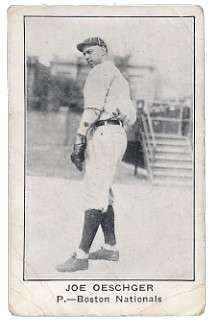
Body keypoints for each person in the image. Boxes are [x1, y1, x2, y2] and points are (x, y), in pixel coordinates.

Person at [56, 37, 136, 273]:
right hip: (115, 132)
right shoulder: (119, 76)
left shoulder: (100, 71)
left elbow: (92, 107)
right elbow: (130, 116)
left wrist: (80, 137)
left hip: (103, 131)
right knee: (103, 189)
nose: (87, 57)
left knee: (94, 191)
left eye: (90, 52)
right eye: (84, 55)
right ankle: (110, 247)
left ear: (103, 50)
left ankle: (81, 256)